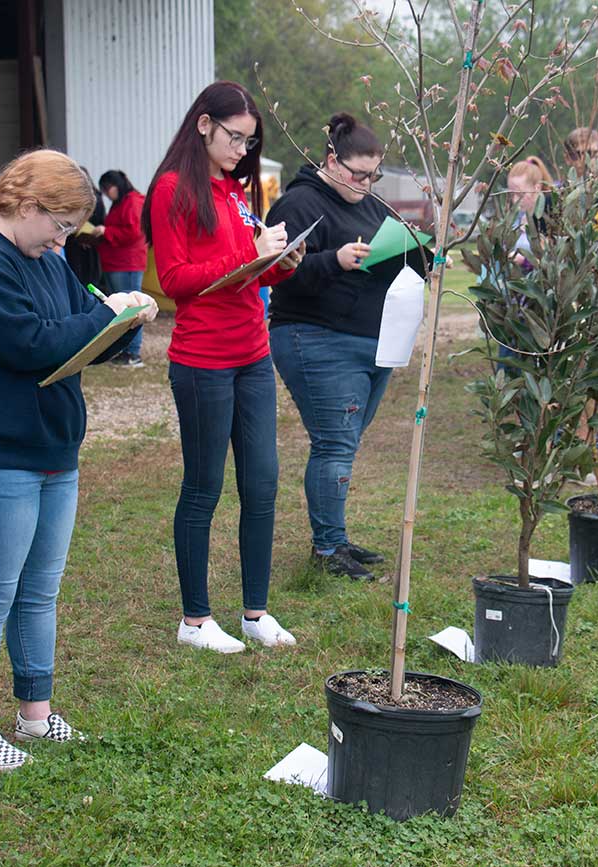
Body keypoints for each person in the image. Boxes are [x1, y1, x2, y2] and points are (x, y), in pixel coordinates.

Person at [0, 148, 158, 770]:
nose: (64, 240)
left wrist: (126, 320)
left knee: (38, 593)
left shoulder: (48, 260)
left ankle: (34, 713)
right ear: (27, 206)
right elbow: (30, 344)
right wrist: (102, 316)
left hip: (54, 450)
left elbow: (84, 328)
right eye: (60, 225)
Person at [143, 81, 303, 653]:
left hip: (252, 355)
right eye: (235, 137)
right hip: (202, 360)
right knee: (204, 485)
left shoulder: (236, 191)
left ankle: (255, 613)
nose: (242, 150)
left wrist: (280, 263)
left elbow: (247, 276)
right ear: (204, 124)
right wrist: (252, 254)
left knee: (261, 484)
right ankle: (194, 621)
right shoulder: (171, 190)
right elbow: (177, 281)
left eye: (250, 141)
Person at [265, 112, 408, 581]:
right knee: (334, 443)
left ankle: (337, 537)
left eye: (374, 174)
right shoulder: (299, 204)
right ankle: (328, 550)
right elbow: (277, 272)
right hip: (315, 336)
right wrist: (334, 260)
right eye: (358, 173)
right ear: (331, 160)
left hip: (372, 340)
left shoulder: (372, 206)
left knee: (344, 441)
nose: (367, 183)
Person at [93, 169, 148, 367]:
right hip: (116, 262)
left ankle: (133, 352)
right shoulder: (121, 203)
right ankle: (124, 350)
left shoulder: (133, 202)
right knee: (120, 307)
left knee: (133, 307)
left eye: (108, 189)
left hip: (128, 263)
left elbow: (133, 232)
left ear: (117, 186)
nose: (107, 194)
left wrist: (106, 231)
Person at [507, 156, 555, 271]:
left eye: (520, 194)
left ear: (537, 187)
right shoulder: (516, 217)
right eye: (511, 194)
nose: (515, 200)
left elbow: (553, 261)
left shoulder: (550, 215)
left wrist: (526, 263)